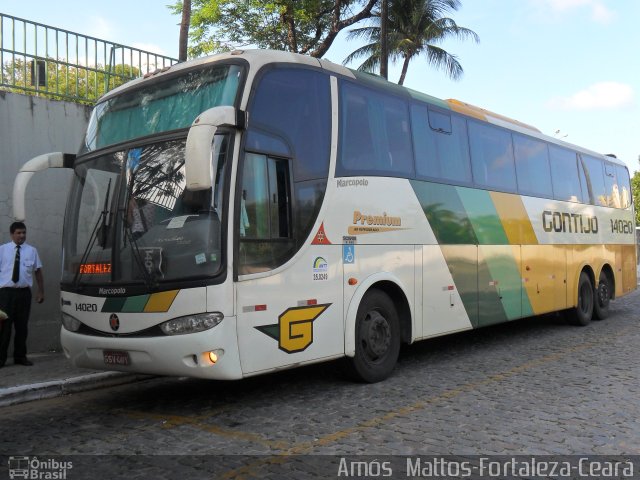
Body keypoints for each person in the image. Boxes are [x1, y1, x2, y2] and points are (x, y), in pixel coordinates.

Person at [0, 221, 44, 367]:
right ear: (12, 234)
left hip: (24, 294)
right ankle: (1, 359)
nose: (22, 235)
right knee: (4, 327)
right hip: (6, 294)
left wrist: (41, 291)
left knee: (22, 327)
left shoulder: (32, 251)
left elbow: (37, 271)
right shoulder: (2, 250)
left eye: (24, 232)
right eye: (19, 233)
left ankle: (20, 357)